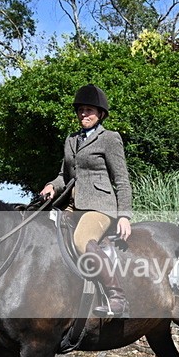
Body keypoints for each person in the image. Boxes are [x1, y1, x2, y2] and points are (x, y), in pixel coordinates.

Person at [39, 84, 133, 317]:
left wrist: (124, 216)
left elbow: (121, 179)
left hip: (99, 206)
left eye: (89, 110)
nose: (84, 114)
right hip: (70, 205)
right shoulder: (71, 140)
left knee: (82, 240)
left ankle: (117, 298)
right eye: (81, 110)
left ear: (100, 114)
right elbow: (64, 175)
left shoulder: (110, 138)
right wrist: (52, 185)